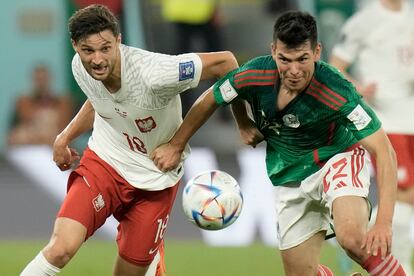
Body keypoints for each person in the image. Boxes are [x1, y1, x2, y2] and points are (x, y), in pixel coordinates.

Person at [150, 11, 407, 276]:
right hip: (289, 174)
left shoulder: (336, 89)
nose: (294, 71)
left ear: (317, 52)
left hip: (336, 158)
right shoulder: (255, 75)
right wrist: (177, 145)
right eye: (285, 59)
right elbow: (212, 98)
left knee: (354, 239)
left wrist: (384, 223)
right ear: (273, 51)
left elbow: (383, 150)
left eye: (302, 59)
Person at [20, 4, 238, 276]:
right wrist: (65, 136)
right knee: (60, 248)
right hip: (105, 164)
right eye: (88, 50)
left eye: (105, 48)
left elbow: (226, 62)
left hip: (155, 180)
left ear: (119, 41)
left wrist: (179, 143)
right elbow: (100, 100)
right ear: (75, 46)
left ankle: (153, 261)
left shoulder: (155, 73)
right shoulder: (79, 66)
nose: (97, 59)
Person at [330, 0, 414, 274]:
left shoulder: (411, 16)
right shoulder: (363, 21)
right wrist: (359, 88)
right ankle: (399, 266)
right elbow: (335, 68)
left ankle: (352, 231)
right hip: (385, 123)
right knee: (401, 196)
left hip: (411, 117)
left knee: (409, 199)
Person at [8, 65, 73, 146]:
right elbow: (14, 133)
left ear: (49, 79)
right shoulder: (23, 102)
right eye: (38, 79)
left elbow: (66, 131)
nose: (41, 83)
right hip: (29, 146)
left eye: (44, 79)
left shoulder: (62, 103)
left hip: (54, 145)